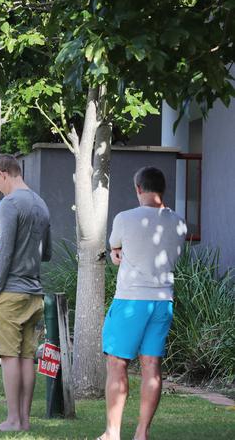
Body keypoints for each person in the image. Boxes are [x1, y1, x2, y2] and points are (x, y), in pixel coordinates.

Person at [98, 167, 186, 440]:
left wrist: (116, 254)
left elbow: (116, 247)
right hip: (163, 302)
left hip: (131, 300)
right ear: (163, 189)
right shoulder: (179, 223)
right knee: (152, 364)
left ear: (138, 188)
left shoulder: (125, 218)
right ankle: (142, 433)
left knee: (117, 363)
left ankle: (112, 433)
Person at [0, 154, 51, 433]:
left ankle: (12, 419)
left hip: (10, 292)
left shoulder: (9, 203)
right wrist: (6, 244)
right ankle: (23, 420)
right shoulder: (40, 203)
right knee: (26, 357)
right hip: (34, 294)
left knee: (9, 357)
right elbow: (45, 252)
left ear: (2, 173)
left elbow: (6, 255)